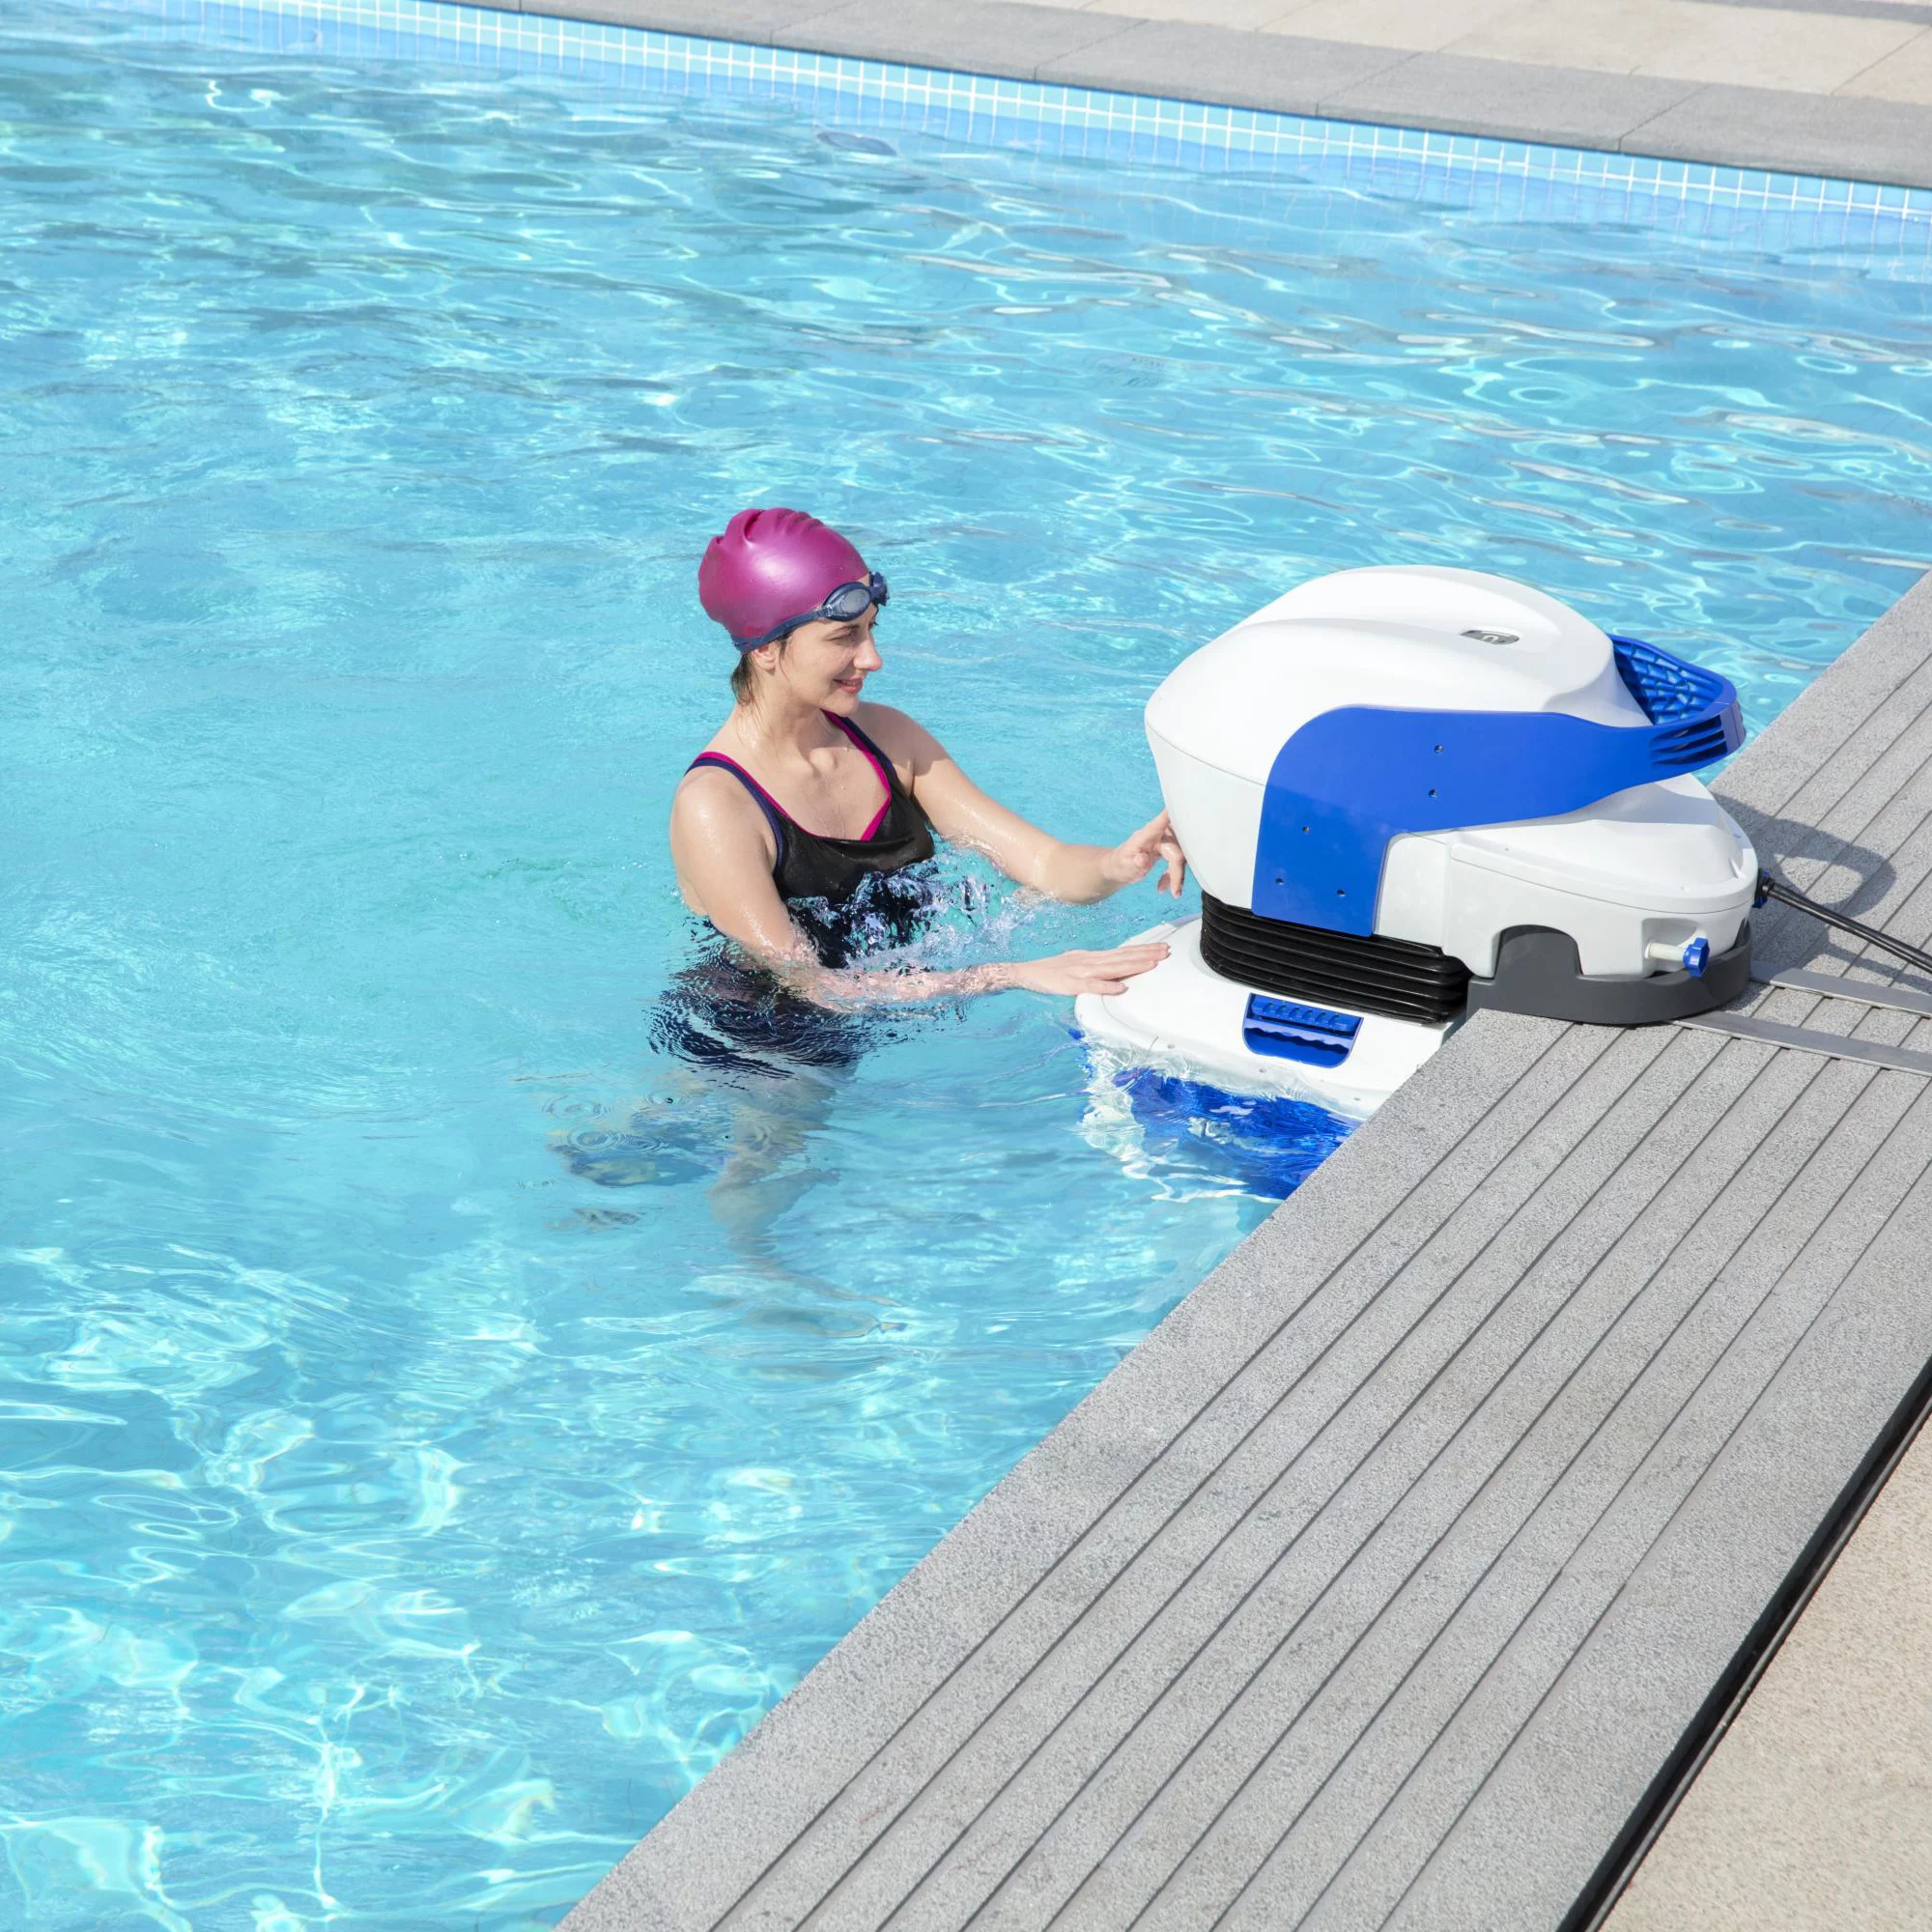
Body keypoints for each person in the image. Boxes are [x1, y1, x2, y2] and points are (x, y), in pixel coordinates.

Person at [669, 506, 1186, 1009]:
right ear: (764, 648)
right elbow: (812, 985)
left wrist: (1118, 864)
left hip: (902, 1004)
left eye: (871, 629)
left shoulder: (889, 738)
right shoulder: (716, 807)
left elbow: (1044, 864)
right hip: (761, 1041)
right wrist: (1013, 975)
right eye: (844, 636)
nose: (872, 658)